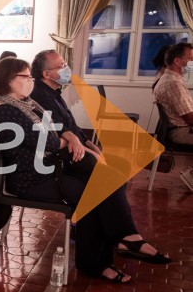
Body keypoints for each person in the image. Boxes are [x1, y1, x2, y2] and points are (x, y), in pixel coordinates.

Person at [0, 58, 170, 283]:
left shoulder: (27, 103)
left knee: (107, 180)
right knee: (94, 193)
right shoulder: (7, 110)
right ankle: (107, 254)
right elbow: (49, 143)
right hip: (31, 179)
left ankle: (118, 243)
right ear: (8, 80)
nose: (30, 81)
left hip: (50, 169)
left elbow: (57, 127)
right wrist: (68, 140)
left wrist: (71, 136)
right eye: (25, 77)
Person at [30, 49, 168, 262]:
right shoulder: (39, 93)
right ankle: (126, 236)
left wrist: (87, 142)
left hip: (75, 148)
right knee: (108, 176)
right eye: (61, 66)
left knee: (119, 165)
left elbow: (71, 125)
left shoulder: (54, 92)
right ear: (47, 74)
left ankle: (106, 229)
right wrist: (78, 143)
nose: (67, 69)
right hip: (61, 155)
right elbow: (54, 130)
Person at [153, 42, 193, 190]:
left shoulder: (171, 79)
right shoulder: (173, 83)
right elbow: (189, 118)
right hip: (180, 131)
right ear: (177, 61)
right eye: (191, 58)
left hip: (180, 127)